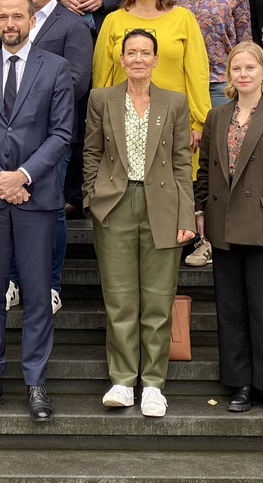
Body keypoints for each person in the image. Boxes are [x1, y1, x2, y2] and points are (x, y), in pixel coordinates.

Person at [0, 0, 73, 423]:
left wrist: (22, 176)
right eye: (3, 17)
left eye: (17, 16)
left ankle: (35, 382)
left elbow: (62, 133)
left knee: (38, 293)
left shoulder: (56, 67)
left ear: (31, 20)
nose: (10, 23)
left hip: (37, 196)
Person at [83, 28, 194, 417]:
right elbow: (91, 151)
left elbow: (182, 164)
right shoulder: (101, 99)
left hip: (162, 205)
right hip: (114, 204)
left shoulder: (175, 102)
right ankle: (122, 380)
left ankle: (153, 385)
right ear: (121, 58)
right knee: (119, 298)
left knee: (159, 301)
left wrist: (186, 215)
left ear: (156, 59)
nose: (138, 59)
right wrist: (91, 197)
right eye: (131, 52)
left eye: (145, 52)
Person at [194, 41, 263, 420]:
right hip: (222, 225)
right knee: (231, 308)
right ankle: (239, 383)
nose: (243, 74)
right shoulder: (217, 117)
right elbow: (204, 170)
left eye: (250, 68)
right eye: (236, 68)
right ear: (229, 75)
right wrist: (200, 209)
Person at [6, 0, 93, 314]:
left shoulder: (73, 25)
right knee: (10, 209)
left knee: (51, 211)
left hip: (52, 137)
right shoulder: (13, 21)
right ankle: (12, 280)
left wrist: (27, 104)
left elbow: (76, 83)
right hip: (9, 136)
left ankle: (51, 284)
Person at [92, 0, 211, 155]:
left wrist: (199, 121)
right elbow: (101, 74)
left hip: (174, 119)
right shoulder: (113, 20)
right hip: (123, 118)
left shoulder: (183, 18)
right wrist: (100, 117)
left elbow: (197, 72)